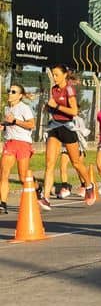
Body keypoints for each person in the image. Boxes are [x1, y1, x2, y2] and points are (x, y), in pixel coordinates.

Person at [39, 65, 95, 210]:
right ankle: (46, 198)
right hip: (54, 127)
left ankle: (89, 185)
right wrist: (48, 107)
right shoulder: (54, 89)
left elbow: (74, 111)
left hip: (68, 128)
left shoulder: (69, 89)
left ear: (64, 75)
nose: (54, 77)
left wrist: (56, 106)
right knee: (49, 164)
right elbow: (53, 106)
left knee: (76, 162)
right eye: (53, 75)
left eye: (56, 75)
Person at [0, 84, 36, 214]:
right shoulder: (7, 108)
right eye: (9, 91)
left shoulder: (24, 108)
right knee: (3, 173)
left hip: (23, 143)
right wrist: (3, 125)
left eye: (13, 92)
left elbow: (32, 124)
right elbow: (9, 123)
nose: (10, 93)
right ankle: (2, 204)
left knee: (23, 177)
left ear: (20, 96)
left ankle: (37, 188)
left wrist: (15, 121)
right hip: (10, 143)